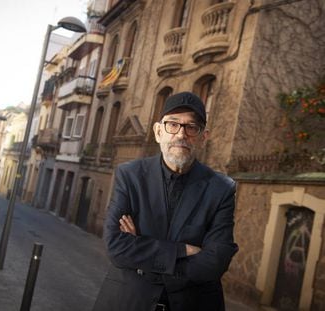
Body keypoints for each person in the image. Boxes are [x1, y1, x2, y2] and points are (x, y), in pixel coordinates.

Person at [92, 92, 238, 311]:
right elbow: (115, 245)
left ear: (203, 137)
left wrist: (143, 256)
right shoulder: (130, 176)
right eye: (173, 125)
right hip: (128, 302)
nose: (181, 134)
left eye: (191, 127)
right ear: (158, 132)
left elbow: (216, 260)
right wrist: (182, 250)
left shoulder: (221, 188)